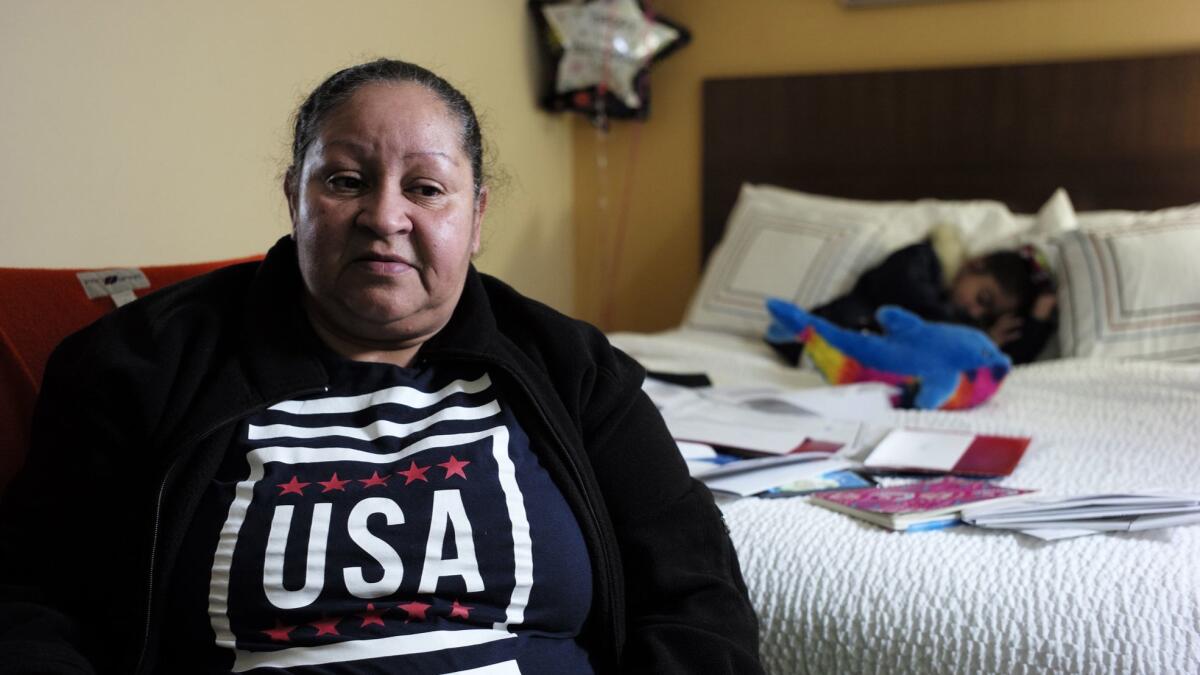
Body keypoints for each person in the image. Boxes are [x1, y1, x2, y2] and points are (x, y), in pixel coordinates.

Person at [0, 59, 762, 674]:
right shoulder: (140, 362)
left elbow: (696, 597)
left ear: (477, 213)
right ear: (292, 196)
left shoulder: (575, 369)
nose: (384, 217)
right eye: (344, 180)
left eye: (426, 188)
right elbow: (36, 601)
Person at [774, 225, 1058, 366]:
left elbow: (1006, 363)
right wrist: (974, 338)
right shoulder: (918, 261)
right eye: (983, 298)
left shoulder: (964, 325)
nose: (976, 312)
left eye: (986, 314)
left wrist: (1037, 319)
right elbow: (913, 305)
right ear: (975, 264)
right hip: (819, 336)